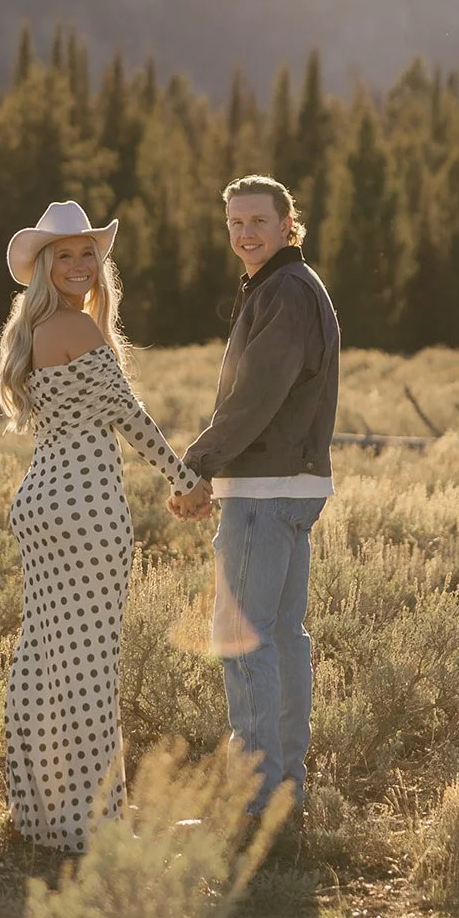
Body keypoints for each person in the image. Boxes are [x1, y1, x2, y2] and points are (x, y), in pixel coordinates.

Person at [0, 200, 211, 854]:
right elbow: (130, 417)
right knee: (88, 670)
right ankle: (94, 827)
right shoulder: (80, 332)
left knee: (43, 663)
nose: (81, 264)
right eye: (67, 255)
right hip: (87, 512)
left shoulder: (33, 334)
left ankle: (40, 816)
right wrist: (185, 481)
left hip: (39, 506)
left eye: (89, 252)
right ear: (45, 266)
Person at [169, 175, 340, 831]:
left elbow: (256, 396)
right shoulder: (286, 287)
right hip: (290, 488)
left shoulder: (285, 292)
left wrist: (197, 466)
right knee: (283, 638)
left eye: (258, 221)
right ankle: (282, 795)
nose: (245, 232)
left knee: (243, 640)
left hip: (266, 492)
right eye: (235, 222)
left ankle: (256, 802)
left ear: (287, 223)